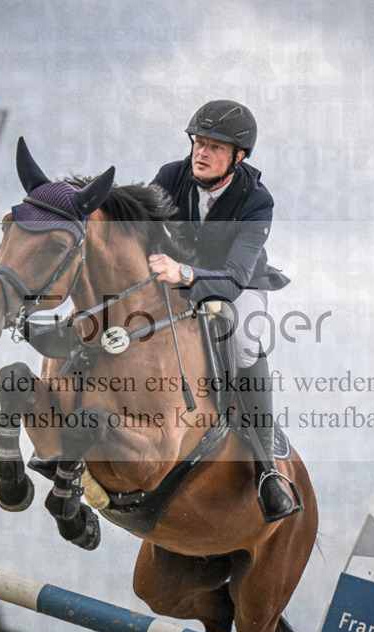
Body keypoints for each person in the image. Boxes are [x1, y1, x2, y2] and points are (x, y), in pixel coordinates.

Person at [148, 99, 300, 523]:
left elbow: (233, 279)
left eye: (216, 147)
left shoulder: (256, 201)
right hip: (175, 274)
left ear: (238, 157)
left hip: (238, 285)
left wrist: (185, 273)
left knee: (243, 339)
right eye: (199, 142)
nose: (202, 152)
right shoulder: (169, 177)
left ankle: (267, 467)